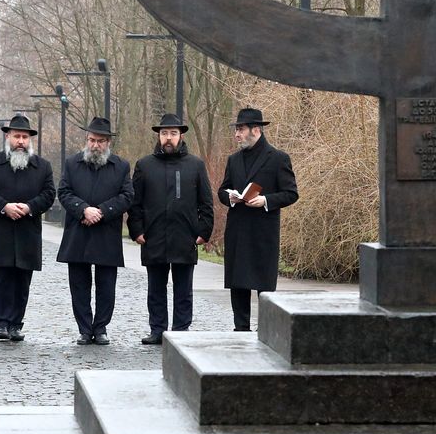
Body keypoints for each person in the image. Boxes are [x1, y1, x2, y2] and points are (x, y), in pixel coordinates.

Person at [128, 113, 213, 345]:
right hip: (153, 236)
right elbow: (135, 203)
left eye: (173, 134)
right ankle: (157, 330)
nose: (168, 138)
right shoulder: (144, 165)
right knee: (155, 288)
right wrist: (136, 230)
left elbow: (206, 202)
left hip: (185, 236)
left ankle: (181, 330)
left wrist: (203, 232)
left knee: (184, 289)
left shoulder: (195, 165)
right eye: (164, 133)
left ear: (181, 136)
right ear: (158, 135)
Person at [0, 114, 56, 342]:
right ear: (8, 137)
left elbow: (49, 194)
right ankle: (1, 323)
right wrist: (3, 206)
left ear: (30, 139)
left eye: (24, 137)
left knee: (23, 280)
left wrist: (30, 207)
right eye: (16, 136)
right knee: (2, 279)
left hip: (27, 231)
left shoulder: (42, 166)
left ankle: (16, 324)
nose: (20, 141)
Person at [219, 107, 298, 331]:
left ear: (256, 130)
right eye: (236, 129)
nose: (236, 134)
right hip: (238, 230)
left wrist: (266, 201)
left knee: (264, 286)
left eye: (240, 129)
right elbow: (222, 190)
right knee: (238, 283)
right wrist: (230, 197)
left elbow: (291, 193)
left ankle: (268, 330)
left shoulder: (278, 158)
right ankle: (240, 329)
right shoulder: (233, 160)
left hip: (263, 233)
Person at [57, 116, 133, 345]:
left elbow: (127, 196)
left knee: (106, 285)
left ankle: (101, 328)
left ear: (108, 142)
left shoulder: (121, 166)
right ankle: (83, 328)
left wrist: (101, 211)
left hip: (106, 232)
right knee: (78, 285)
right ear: (86, 140)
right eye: (91, 140)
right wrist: (83, 210)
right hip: (78, 232)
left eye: (100, 141)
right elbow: (64, 193)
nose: (95, 145)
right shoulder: (72, 163)